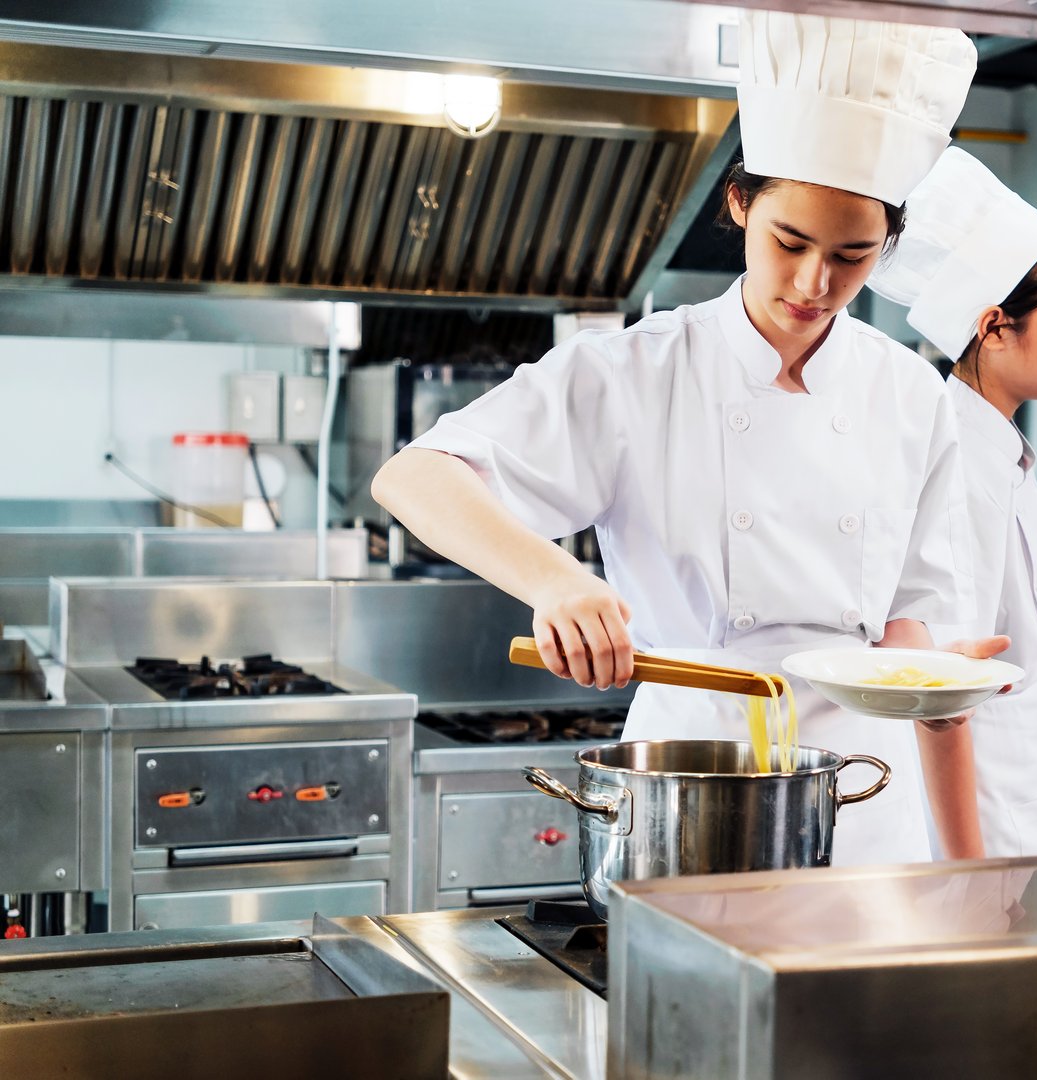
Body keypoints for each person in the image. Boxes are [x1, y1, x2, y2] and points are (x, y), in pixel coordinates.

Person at [372, 12, 994, 864]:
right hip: (687, 793)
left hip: (861, 795)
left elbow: (907, 622)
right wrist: (556, 579)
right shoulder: (634, 371)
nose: (815, 284)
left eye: (852, 256)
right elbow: (415, 477)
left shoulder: (912, 396)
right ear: (740, 204)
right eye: (791, 242)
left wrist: (931, 685)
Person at [869, 147, 1037, 857]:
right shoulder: (961, 462)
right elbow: (943, 698)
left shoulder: (999, 452)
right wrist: (967, 870)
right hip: (995, 825)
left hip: (1030, 802)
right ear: (996, 327)